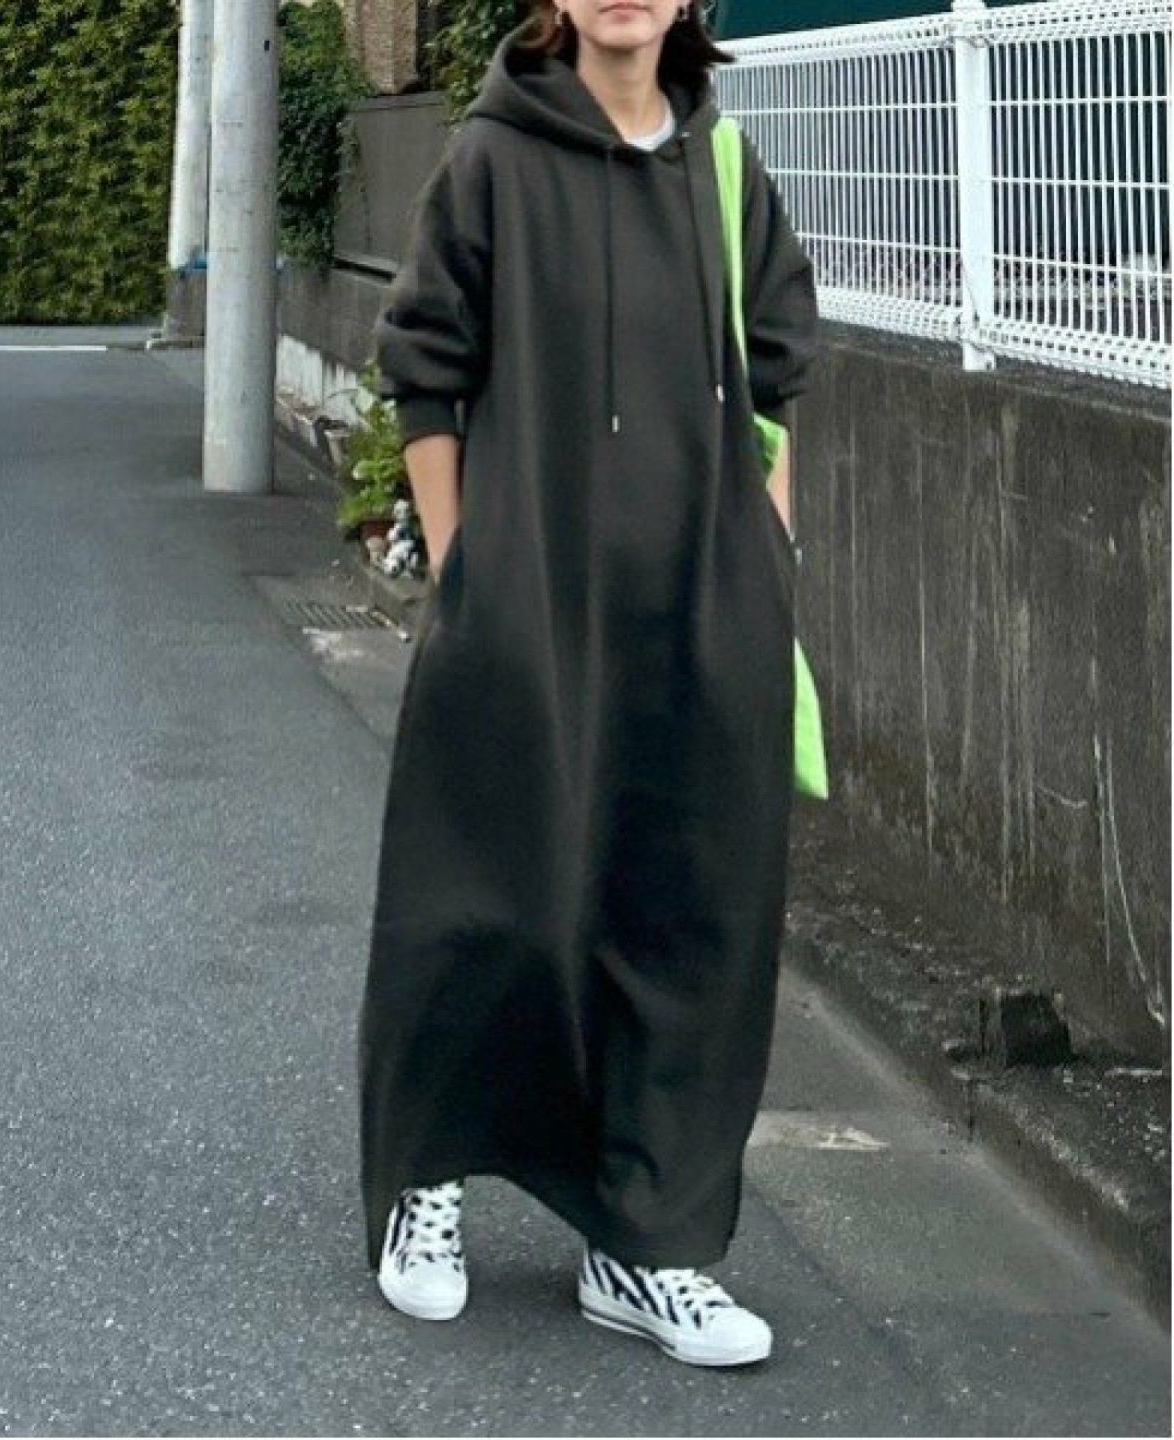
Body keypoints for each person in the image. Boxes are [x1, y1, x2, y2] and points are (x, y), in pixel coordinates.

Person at [356, 0, 820, 1368]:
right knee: (482, 894)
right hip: (528, 606)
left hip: (701, 611)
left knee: (687, 920)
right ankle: (424, 1185)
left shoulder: (724, 166)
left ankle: (647, 1246)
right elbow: (426, 373)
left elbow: (774, 384)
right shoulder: (492, 158)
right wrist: (467, 574)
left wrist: (769, 572)